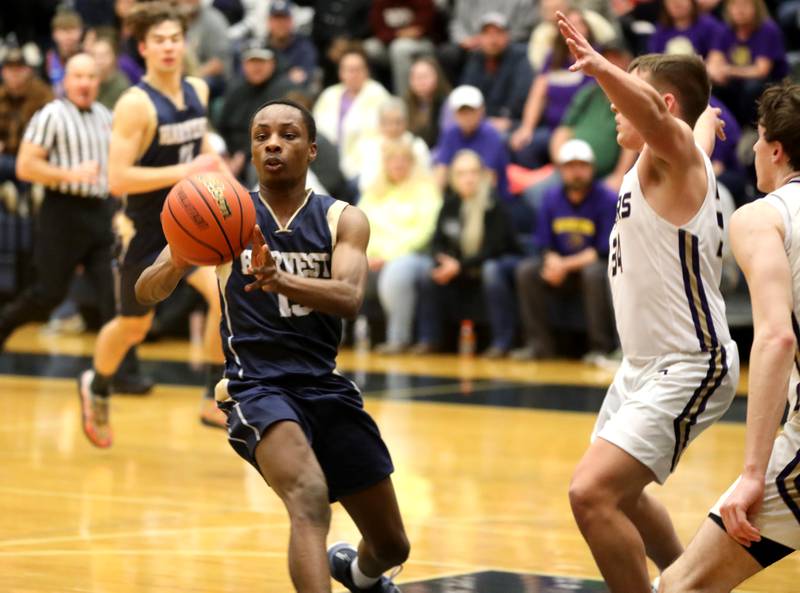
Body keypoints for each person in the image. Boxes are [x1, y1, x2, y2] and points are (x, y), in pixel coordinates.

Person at [135, 98, 409, 593]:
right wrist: (178, 254)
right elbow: (145, 291)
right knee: (308, 496)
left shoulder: (343, 219)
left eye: (287, 135)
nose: (273, 144)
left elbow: (348, 298)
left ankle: (359, 576)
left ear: (312, 150)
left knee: (392, 546)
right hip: (255, 387)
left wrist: (279, 280)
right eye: (262, 136)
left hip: (323, 385)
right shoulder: (225, 214)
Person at [557, 13, 740, 593]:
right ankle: (687, 582)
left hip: (690, 359)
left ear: (658, 102)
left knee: (591, 494)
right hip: (643, 365)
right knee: (624, 497)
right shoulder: (673, 156)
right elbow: (692, 122)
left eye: (624, 92)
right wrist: (709, 117)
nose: (614, 103)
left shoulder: (673, 154)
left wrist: (600, 66)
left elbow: (669, 120)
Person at [657, 80, 800, 593]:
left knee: (682, 586)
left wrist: (753, 472)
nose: (756, 152)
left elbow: (778, 339)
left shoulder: (762, 217)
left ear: (776, 149)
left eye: (760, 141)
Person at [78, 1, 227, 449]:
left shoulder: (198, 90)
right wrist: (184, 174)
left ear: (185, 44)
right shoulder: (134, 104)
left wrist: (237, 198)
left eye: (174, 39)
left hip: (192, 223)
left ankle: (212, 395)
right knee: (133, 328)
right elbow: (117, 178)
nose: (168, 47)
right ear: (143, 47)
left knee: (227, 290)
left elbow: (203, 157)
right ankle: (97, 385)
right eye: (158, 40)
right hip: (144, 231)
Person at [0, 54, 147, 394]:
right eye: (77, 76)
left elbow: (117, 169)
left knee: (116, 296)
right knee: (47, 295)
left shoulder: (106, 117)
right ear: (66, 81)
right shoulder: (50, 114)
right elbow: (25, 167)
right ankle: (4, 325)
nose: (84, 83)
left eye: (90, 77)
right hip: (61, 212)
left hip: (100, 211)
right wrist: (69, 174)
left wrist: (122, 208)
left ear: (98, 81)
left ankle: (121, 372)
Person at [512, 139, 617, 361]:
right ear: (561, 170)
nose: (576, 172)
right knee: (527, 271)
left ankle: (601, 347)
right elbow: (543, 244)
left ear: (591, 169)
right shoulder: (551, 198)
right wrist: (552, 262)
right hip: (560, 269)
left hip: (590, 268)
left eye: (581, 166)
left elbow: (602, 251)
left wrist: (564, 265)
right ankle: (539, 345)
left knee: (594, 272)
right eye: (570, 167)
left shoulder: (607, 198)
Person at [414, 149, 521, 354]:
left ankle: (502, 341)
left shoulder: (494, 204)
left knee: (491, 269)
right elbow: (437, 241)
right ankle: (430, 339)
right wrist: (444, 261)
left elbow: (495, 248)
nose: (468, 179)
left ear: (482, 175)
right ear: (453, 178)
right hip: (460, 267)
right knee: (429, 271)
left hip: (497, 263)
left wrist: (459, 266)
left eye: (473, 172)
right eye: (462, 173)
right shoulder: (450, 204)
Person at [358, 138, 441, 354]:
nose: (397, 164)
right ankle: (334, 338)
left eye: (403, 159)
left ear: (412, 163)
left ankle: (398, 339)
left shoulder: (426, 191)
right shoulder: (372, 192)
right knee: (344, 267)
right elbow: (358, 227)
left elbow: (425, 231)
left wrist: (388, 256)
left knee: (396, 272)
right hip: (373, 257)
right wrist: (365, 254)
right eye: (392, 160)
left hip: (415, 257)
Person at [215, 40, 296, 182]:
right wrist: (224, 155)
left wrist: (243, 155)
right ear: (244, 64)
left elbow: (281, 134)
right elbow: (222, 127)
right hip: (230, 154)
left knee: (260, 166)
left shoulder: (284, 90)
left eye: (262, 61)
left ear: (273, 63)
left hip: (267, 152)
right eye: (252, 61)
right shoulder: (235, 88)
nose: (256, 67)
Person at [313, 47, 390, 183]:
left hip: (364, 167)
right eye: (349, 70)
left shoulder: (378, 94)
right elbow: (316, 130)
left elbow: (382, 136)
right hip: (329, 164)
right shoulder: (329, 95)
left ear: (366, 71)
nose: (353, 74)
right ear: (341, 73)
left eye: (358, 69)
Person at [707, 0, 788, 126]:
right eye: (734, 5)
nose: (739, 10)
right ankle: (725, 125)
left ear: (756, 8)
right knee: (714, 86)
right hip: (737, 83)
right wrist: (716, 72)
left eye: (744, 5)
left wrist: (728, 70)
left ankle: (753, 127)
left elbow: (761, 70)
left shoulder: (768, 29)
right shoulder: (724, 29)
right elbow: (713, 62)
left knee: (752, 87)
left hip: (769, 84)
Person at [459, 12, 534, 137]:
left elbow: (521, 94)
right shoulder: (476, 58)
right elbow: (467, 91)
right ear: (480, 38)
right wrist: (480, 119)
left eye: (498, 33)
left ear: (507, 36)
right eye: (487, 34)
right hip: (479, 121)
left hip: (513, 121)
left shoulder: (519, 57)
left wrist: (506, 119)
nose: (493, 40)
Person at [433, 85, 511, 201]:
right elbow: (441, 171)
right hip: (458, 197)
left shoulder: (490, 134)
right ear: (455, 114)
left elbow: (489, 178)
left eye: (471, 111)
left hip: (492, 200)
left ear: (481, 110)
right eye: (462, 112)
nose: (467, 116)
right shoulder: (450, 133)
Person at [0, 44, 53, 192]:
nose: (15, 74)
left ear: (29, 71)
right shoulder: (1, 95)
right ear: (3, 72)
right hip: (6, 159)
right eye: (10, 70)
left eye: (20, 69)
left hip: (36, 159)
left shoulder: (44, 95)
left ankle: (32, 193)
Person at [355, 98, 430, 193]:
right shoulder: (372, 147)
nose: (393, 128)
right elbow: (365, 185)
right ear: (380, 124)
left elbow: (426, 178)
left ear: (406, 122)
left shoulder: (417, 145)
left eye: (398, 122)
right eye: (388, 122)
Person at [364, 0, 436, 96]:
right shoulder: (380, 2)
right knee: (367, 48)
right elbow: (378, 30)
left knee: (399, 48)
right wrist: (399, 34)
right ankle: (375, 97)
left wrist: (401, 34)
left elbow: (423, 26)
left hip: (421, 44)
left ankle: (405, 100)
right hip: (391, 42)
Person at [265, 0, 318, 90]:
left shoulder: (304, 46)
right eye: (276, 20)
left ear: (291, 21)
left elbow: (304, 79)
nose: (280, 24)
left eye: (284, 19)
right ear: (269, 22)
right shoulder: (261, 46)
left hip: (292, 97)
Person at [647, 0, 725, 59]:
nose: (676, 3)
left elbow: (716, 60)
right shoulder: (660, 30)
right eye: (670, 1)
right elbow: (653, 61)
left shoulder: (710, 26)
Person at [403, 56, 451, 149]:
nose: (420, 81)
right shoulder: (405, 104)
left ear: (437, 76)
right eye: (415, 77)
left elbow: (447, 140)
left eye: (425, 76)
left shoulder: (447, 104)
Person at [87, 31, 131, 109]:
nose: (99, 60)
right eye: (95, 55)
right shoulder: (87, 80)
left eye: (104, 55)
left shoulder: (121, 85)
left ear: (113, 57)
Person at [47, 8, 84, 96]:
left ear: (81, 31)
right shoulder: (48, 57)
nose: (68, 36)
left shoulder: (86, 57)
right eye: (63, 30)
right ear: (54, 34)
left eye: (72, 29)